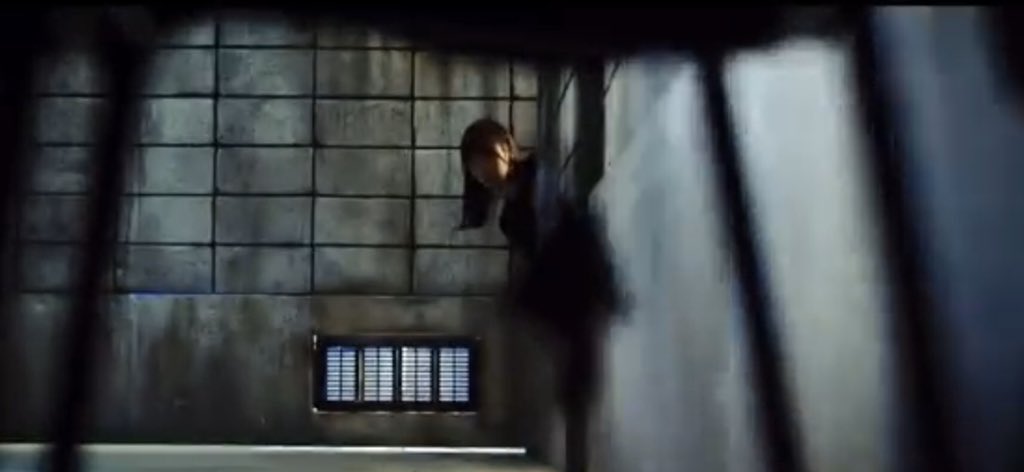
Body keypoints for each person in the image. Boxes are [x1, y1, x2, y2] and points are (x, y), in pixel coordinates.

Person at [457, 117, 625, 413]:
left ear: (506, 149)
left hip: (579, 271)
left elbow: (564, 229)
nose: (483, 170)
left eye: (486, 157)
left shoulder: (539, 176)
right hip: (563, 288)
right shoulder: (509, 217)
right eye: (474, 165)